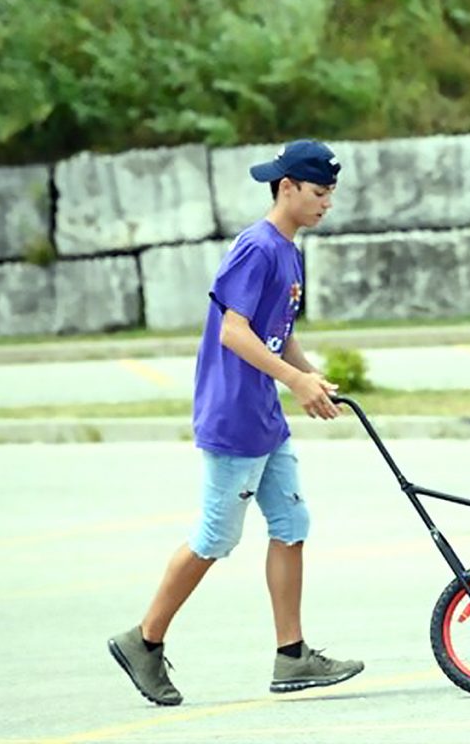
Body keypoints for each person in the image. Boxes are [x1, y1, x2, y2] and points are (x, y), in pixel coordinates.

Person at [108, 139, 363, 706]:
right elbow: (233, 331)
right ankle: (143, 640)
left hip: (264, 415)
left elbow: (278, 331)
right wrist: (294, 381)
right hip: (234, 417)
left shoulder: (289, 251)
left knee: (292, 523)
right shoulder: (257, 247)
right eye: (319, 193)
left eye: (331, 194)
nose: (327, 203)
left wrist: (309, 375)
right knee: (215, 537)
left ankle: (292, 656)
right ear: (287, 188)